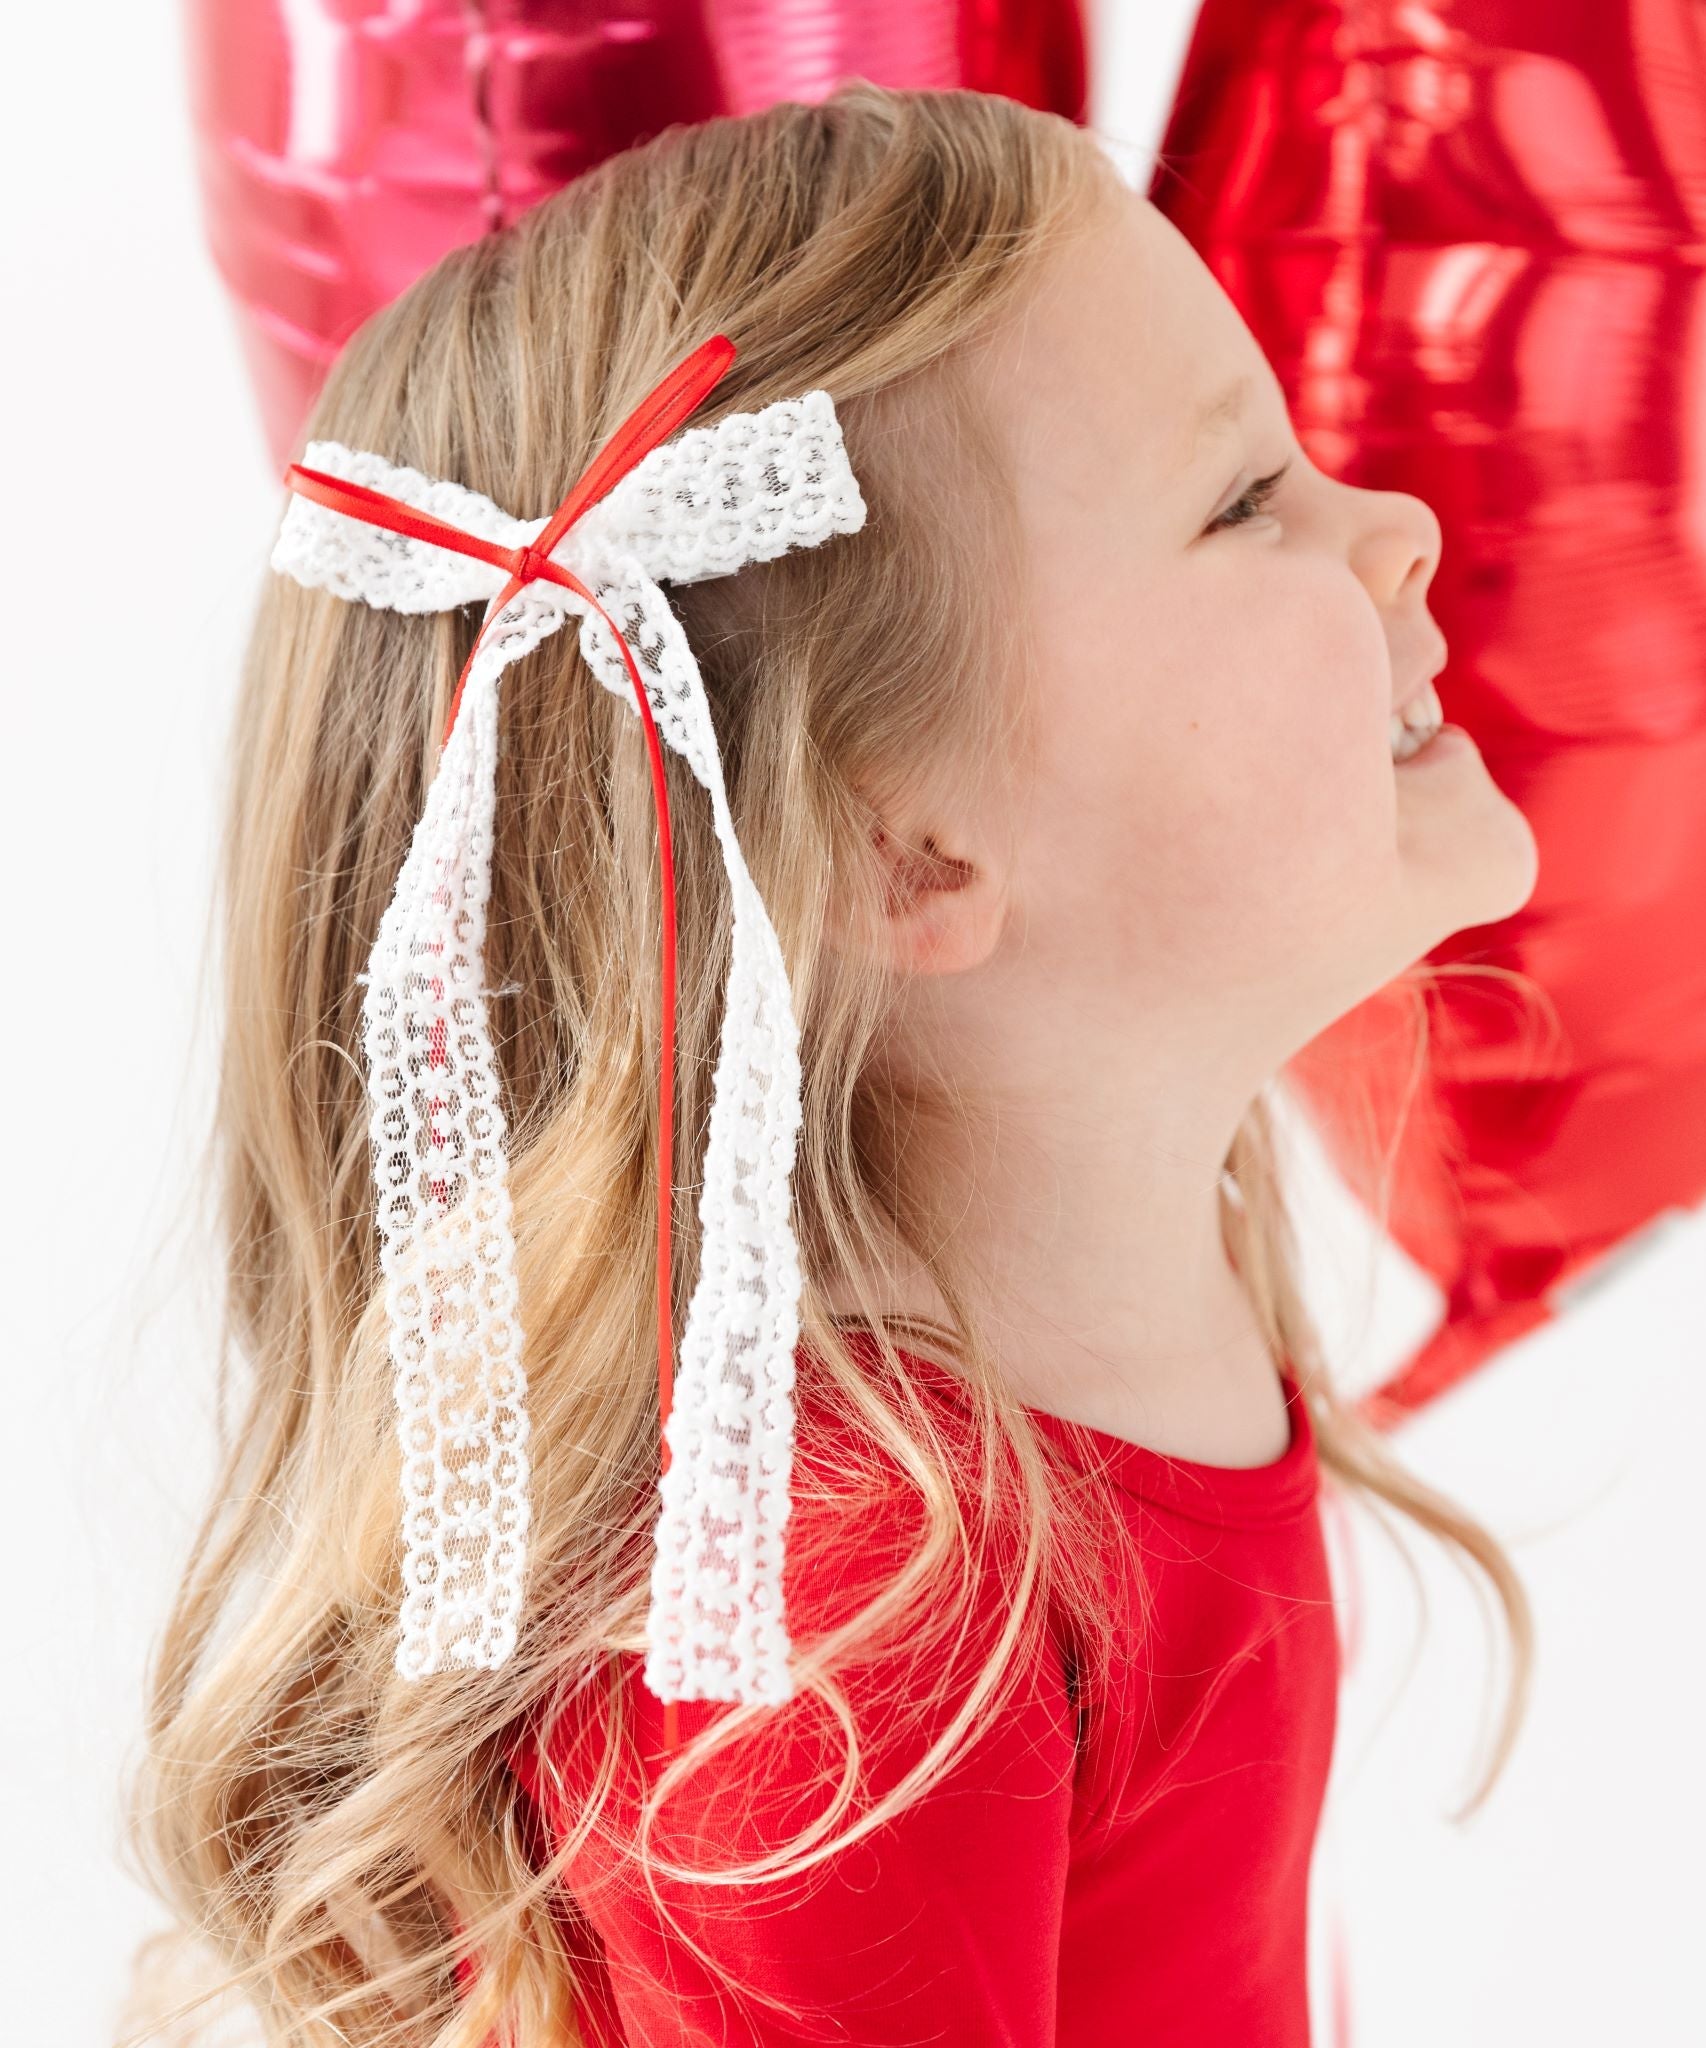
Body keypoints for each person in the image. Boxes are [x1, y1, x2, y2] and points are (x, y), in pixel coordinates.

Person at [124, 80, 1540, 2048]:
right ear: (911, 850)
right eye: (1241, 500)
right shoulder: (851, 1623)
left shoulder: (1091, 1376)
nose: (1397, 525)